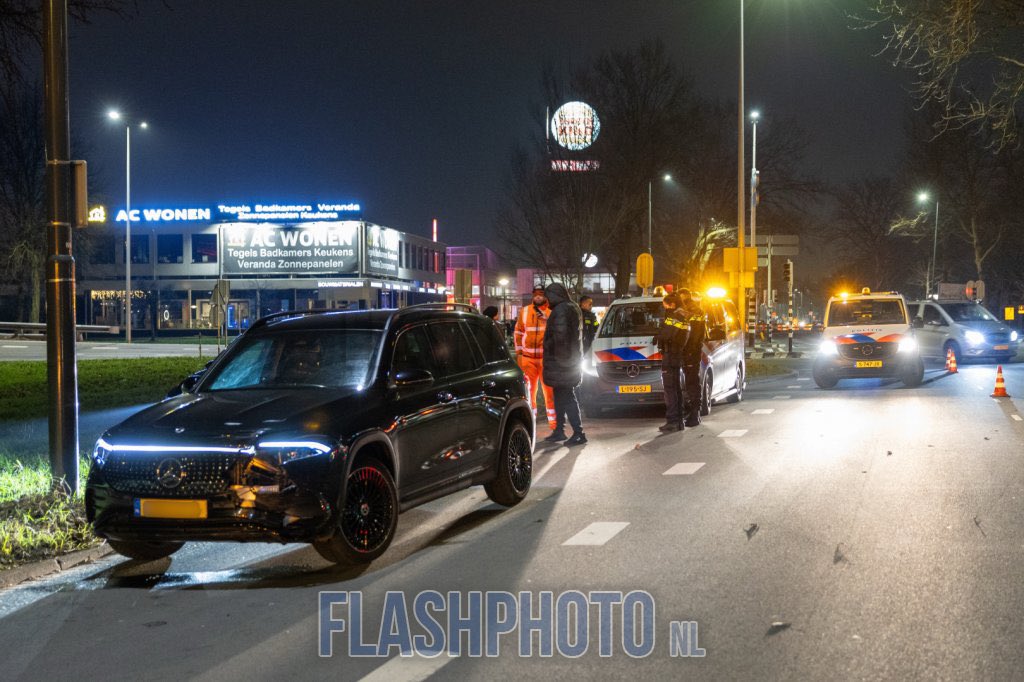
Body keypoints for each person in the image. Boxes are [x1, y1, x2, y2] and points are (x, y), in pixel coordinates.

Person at [542, 283, 586, 445]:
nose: (547, 300)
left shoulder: (561, 310)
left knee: (566, 397)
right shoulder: (572, 307)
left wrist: (548, 346)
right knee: (561, 396)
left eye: (548, 297)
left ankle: (578, 433)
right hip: (569, 361)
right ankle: (560, 430)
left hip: (562, 363)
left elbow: (560, 337)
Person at [514, 285, 558, 431]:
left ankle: (555, 425)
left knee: (549, 392)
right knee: (529, 392)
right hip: (528, 359)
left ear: (546, 296)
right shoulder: (525, 311)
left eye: (541, 294)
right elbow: (518, 333)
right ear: (532, 295)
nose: (538, 296)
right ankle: (531, 422)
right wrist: (519, 354)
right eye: (536, 294)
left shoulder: (551, 313)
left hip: (546, 359)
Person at [656, 291, 690, 432]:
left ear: (672, 304)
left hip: (671, 355)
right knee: (676, 389)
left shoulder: (675, 316)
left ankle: (673, 421)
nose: (665, 309)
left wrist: (658, 335)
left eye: (666, 306)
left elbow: (666, 334)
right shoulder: (683, 315)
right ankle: (679, 421)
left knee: (670, 389)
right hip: (676, 355)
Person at [680, 288, 707, 427]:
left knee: (692, 383)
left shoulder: (692, 311)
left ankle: (695, 414)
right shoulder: (695, 310)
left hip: (691, 352)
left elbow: (693, 334)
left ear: (684, 297)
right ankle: (694, 413)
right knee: (692, 382)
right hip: (692, 351)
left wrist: (689, 350)